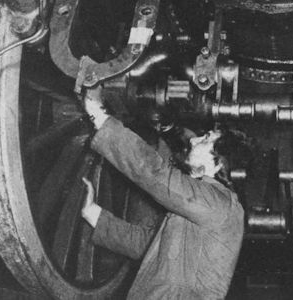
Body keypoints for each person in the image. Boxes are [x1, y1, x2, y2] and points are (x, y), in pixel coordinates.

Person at [80, 87, 250, 300]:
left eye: (205, 139)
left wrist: (99, 117)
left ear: (217, 165)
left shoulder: (218, 204)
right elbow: (154, 248)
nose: (193, 140)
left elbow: (155, 174)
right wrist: (93, 214)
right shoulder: (207, 202)